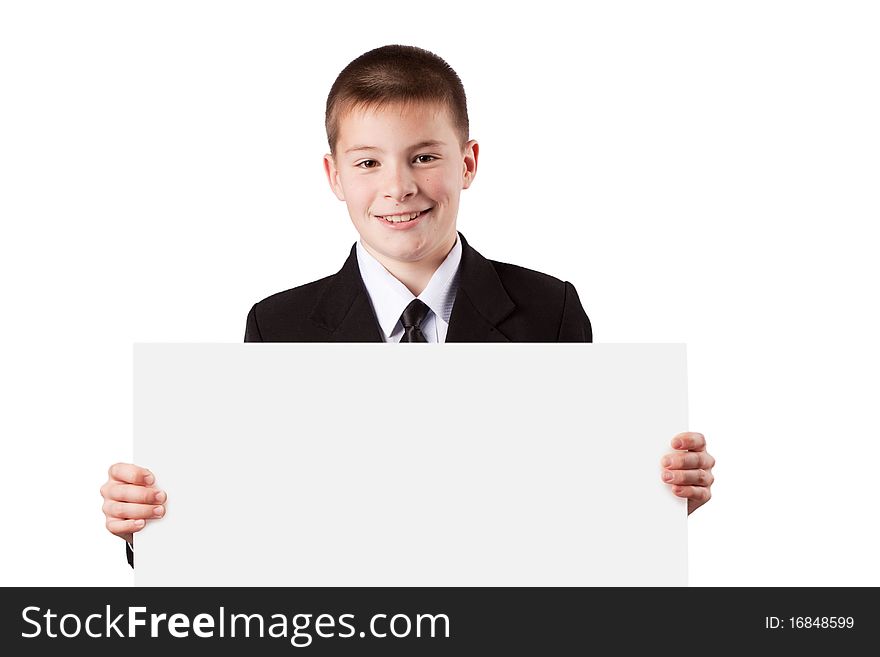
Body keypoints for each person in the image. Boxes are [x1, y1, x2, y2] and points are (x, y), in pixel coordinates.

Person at [100, 45, 715, 568]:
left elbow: (581, 501)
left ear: (467, 161)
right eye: (368, 162)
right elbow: (254, 509)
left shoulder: (547, 310)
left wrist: (656, 498)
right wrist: (151, 528)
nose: (399, 186)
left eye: (424, 156)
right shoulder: (278, 326)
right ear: (334, 176)